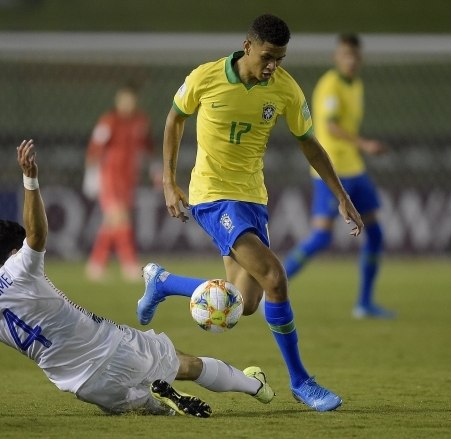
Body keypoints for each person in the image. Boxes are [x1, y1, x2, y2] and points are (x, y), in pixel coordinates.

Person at [0, 140, 274, 419]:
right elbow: (38, 235)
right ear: (14, 250)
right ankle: (256, 387)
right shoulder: (20, 266)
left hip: (85, 386)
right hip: (113, 345)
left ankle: (163, 401)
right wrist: (30, 178)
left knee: (152, 411)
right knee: (188, 364)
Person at [136, 14, 365, 412]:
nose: (273, 66)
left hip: (253, 198)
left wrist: (341, 195)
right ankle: (302, 382)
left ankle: (163, 281)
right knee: (275, 277)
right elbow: (175, 118)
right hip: (212, 196)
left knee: (244, 301)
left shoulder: (285, 90)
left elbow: (309, 144)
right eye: (267, 57)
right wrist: (169, 182)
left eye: (280, 58)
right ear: (248, 46)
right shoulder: (206, 77)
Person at [282, 34, 394, 319]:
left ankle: (364, 303)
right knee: (321, 237)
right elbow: (330, 127)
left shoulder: (355, 84)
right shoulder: (329, 85)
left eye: (355, 55)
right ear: (336, 57)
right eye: (346, 55)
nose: (351, 60)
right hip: (331, 172)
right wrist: (366, 144)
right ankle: (272, 287)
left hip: (355, 170)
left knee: (376, 233)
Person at [83, 84, 157, 282]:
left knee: (113, 221)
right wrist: (91, 174)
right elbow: (95, 148)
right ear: (118, 101)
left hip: (128, 178)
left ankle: (96, 264)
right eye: (124, 99)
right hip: (110, 176)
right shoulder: (109, 121)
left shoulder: (141, 121)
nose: (128, 103)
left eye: (131, 99)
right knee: (120, 217)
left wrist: (155, 169)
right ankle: (129, 263)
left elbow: (148, 147)